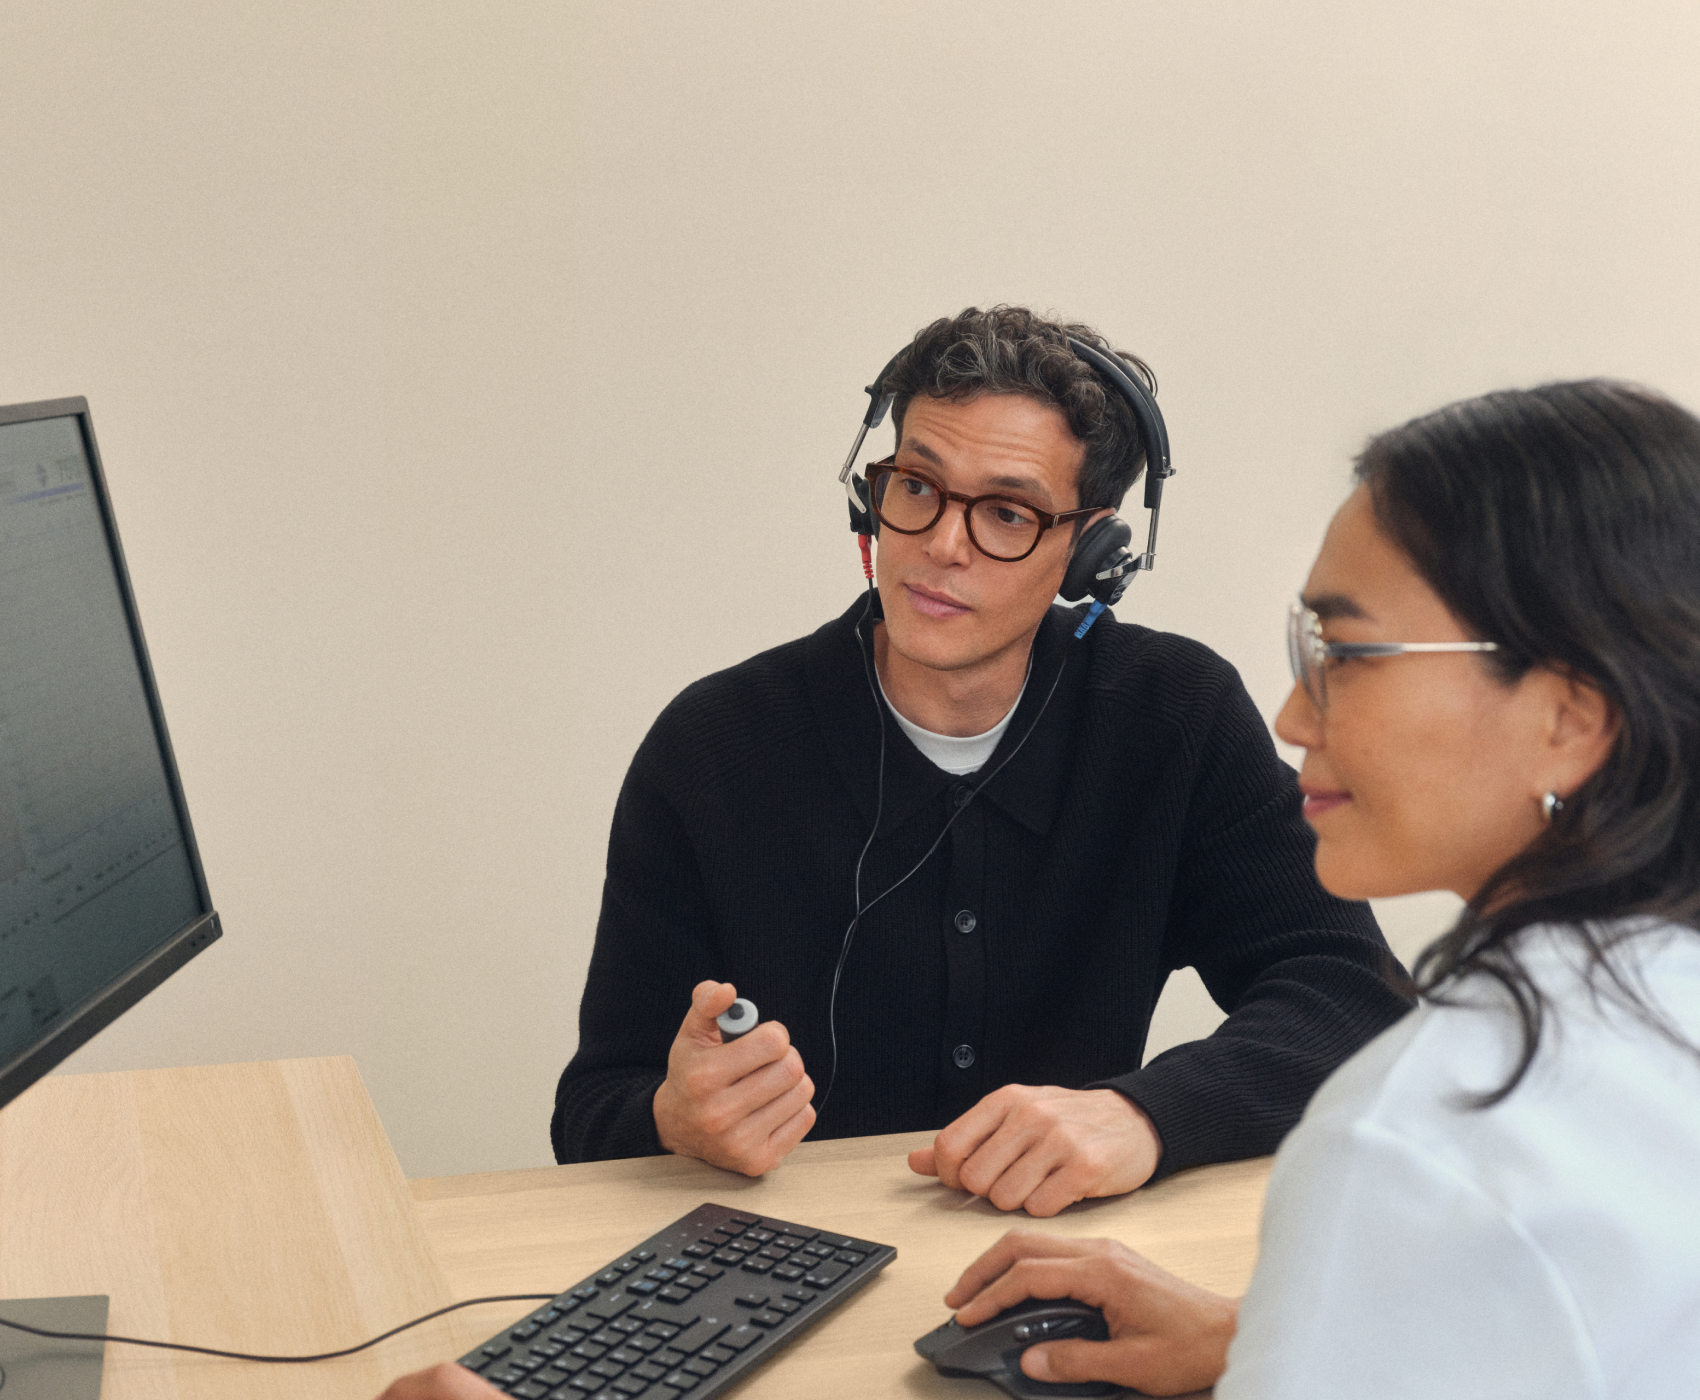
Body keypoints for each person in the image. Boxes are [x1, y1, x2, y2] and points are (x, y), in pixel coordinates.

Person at [551, 306, 1410, 1216]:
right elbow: (592, 1111)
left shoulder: (1172, 717)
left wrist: (1144, 1114)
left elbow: (1353, 996)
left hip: (1064, 1262)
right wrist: (674, 1117)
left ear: (1091, 550)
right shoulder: (713, 747)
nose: (940, 545)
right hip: (782, 1276)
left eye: (1006, 512)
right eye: (916, 486)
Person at [945, 379, 1700, 1397]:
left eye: (1344, 652)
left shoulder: (1413, 1144)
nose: (1293, 714)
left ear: (1568, 716)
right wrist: (1272, 1334)